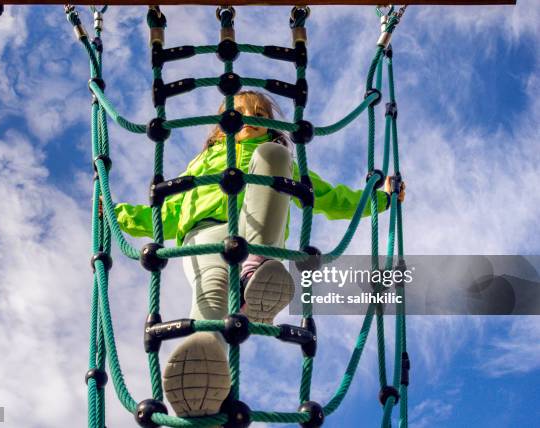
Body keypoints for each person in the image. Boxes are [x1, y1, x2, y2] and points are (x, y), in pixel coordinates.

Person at [115, 90, 406, 418]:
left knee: (274, 156)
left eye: (261, 114)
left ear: (271, 124)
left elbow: (329, 198)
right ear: (218, 128)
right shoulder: (200, 162)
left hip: (256, 236)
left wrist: (381, 200)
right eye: (240, 112)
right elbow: (167, 214)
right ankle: (203, 371)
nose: (250, 118)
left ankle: (255, 271)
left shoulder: (276, 153)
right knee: (212, 295)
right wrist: (117, 213)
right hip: (204, 234)